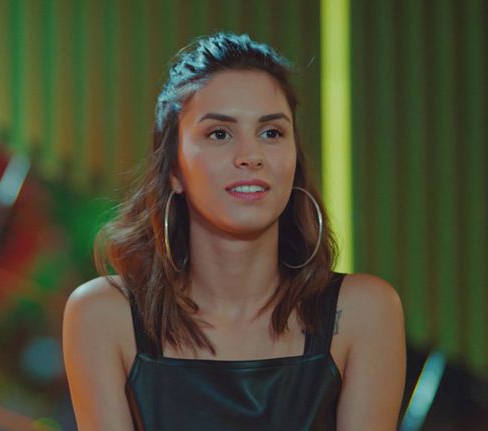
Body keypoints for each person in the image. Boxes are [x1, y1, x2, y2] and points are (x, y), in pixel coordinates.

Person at [63, 33, 405, 430]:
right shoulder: (104, 315)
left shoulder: (364, 312)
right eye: (219, 134)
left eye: (271, 132)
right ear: (173, 169)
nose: (250, 156)